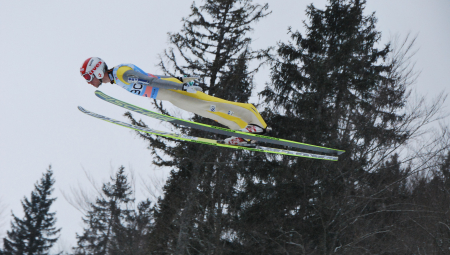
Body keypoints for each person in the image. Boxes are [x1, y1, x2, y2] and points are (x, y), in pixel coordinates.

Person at [80, 57, 269, 145]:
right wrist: (180, 79)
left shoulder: (121, 73)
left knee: (212, 104)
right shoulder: (117, 77)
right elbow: (152, 76)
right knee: (207, 111)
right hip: (171, 94)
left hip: (173, 91)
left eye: (90, 78)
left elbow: (149, 81)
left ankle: (255, 121)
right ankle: (244, 132)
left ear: (97, 71)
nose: (90, 82)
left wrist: (180, 85)